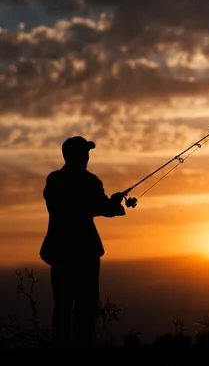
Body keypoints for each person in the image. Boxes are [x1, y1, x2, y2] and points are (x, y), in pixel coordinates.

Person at [40, 136, 126, 348]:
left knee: (63, 307)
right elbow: (97, 207)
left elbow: (90, 205)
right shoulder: (89, 181)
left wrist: (109, 204)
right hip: (85, 254)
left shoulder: (54, 180)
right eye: (84, 153)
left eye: (87, 153)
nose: (87, 157)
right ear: (73, 156)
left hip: (60, 252)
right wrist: (113, 206)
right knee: (84, 309)